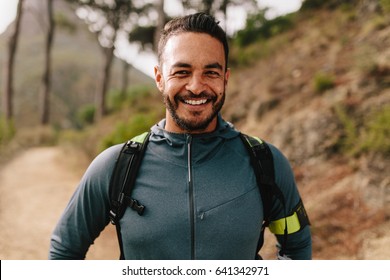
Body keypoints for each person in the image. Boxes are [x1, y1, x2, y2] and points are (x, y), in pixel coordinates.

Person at [49, 12, 312, 260]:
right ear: (160, 78)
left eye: (211, 72)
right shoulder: (115, 166)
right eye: (182, 72)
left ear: (225, 79)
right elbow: (65, 250)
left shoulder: (266, 163)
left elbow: (297, 247)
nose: (196, 86)